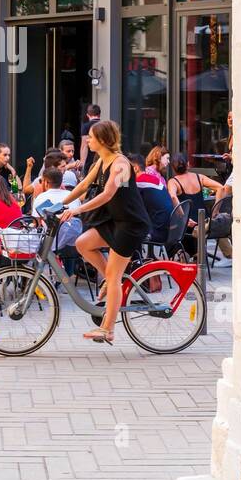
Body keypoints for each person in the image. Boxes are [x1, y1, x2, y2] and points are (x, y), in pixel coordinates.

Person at [59, 119, 151, 345]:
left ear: (102, 140)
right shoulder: (101, 161)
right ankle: (110, 281)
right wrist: (61, 204)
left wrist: (77, 209)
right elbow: (82, 186)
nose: (87, 140)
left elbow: (108, 194)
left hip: (130, 225)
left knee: (114, 275)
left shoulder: (121, 165)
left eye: (90, 137)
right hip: (115, 221)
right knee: (82, 243)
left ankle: (107, 329)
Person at [167, 154, 223, 237]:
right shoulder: (199, 177)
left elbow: (173, 197)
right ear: (188, 164)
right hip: (203, 222)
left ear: (173, 167)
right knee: (202, 247)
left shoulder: (173, 181)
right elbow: (221, 188)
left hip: (187, 225)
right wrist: (215, 210)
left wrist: (183, 217)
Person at [79, 104, 101, 176]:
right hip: (104, 158)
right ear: (99, 114)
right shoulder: (105, 125)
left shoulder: (86, 126)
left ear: (88, 115)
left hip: (90, 159)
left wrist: (82, 164)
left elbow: (84, 146)